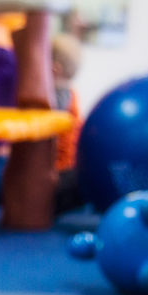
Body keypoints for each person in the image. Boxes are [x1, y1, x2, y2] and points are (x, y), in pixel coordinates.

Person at [51, 32, 85, 214]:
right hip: (71, 168)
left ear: (55, 69)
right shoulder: (71, 94)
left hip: (60, 171)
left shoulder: (57, 98)